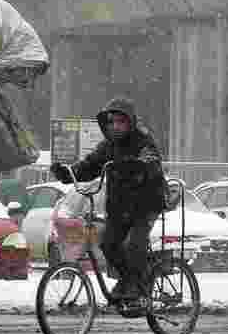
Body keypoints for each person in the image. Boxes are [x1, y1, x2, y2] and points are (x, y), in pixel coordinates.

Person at [49, 97, 166, 302]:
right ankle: (128, 279)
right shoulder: (107, 146)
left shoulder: (144, 140)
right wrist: (68, 173)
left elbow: (151, 161)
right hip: (120, 205)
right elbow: (89, 166)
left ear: (131, 122)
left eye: (121, 121)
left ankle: (137, 286)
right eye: (112, 122)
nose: (116, 126)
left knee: (134, 245)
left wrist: (137, 166)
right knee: (108, 244)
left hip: (146, 203)